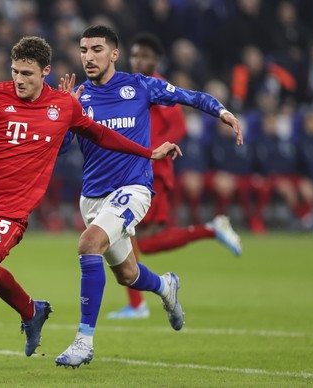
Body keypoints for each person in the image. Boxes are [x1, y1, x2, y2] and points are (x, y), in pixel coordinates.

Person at [0, 36, 181, 376]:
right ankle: (31, 311)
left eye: (27, 73)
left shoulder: (64, 107)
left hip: (9, 215)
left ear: (45, 72)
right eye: (15, 72)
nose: (20, 80)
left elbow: (101, 135)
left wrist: (148, 152)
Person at [55, 25, 243, 368]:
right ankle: (164, 286)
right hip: (93, 197)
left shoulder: (139, 86)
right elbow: (60, 151)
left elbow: (191, 96)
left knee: (88, 244)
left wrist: (223, 112)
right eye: (83, 50)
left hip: (133, 189)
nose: (88, 57)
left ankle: (83, 341)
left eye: (97, 49)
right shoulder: (78, 97)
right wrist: (65, 113)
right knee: (127, 274)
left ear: (114, 54)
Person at [104, 33, 242, 320]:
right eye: (135, 55)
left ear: (156, 60)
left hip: (151, 172)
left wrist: (146, 151)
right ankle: (210, 231)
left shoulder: (158, 89)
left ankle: (138, 302)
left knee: (130, 239)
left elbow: (176, 129)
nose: (139, 60)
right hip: (131, 170)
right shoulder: (129, 87)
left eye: (145, 56)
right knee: (136, 240)